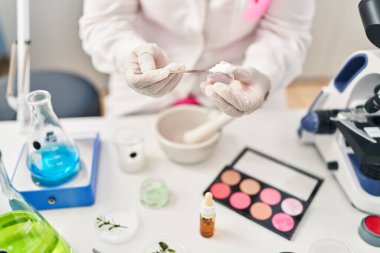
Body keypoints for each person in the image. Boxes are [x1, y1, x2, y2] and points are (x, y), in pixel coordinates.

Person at [79, 0, 315, 117]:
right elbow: (105, 21)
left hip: (245, 85)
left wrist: (264, 75)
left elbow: (286, 32)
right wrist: (127, 54)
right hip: (139, 95)